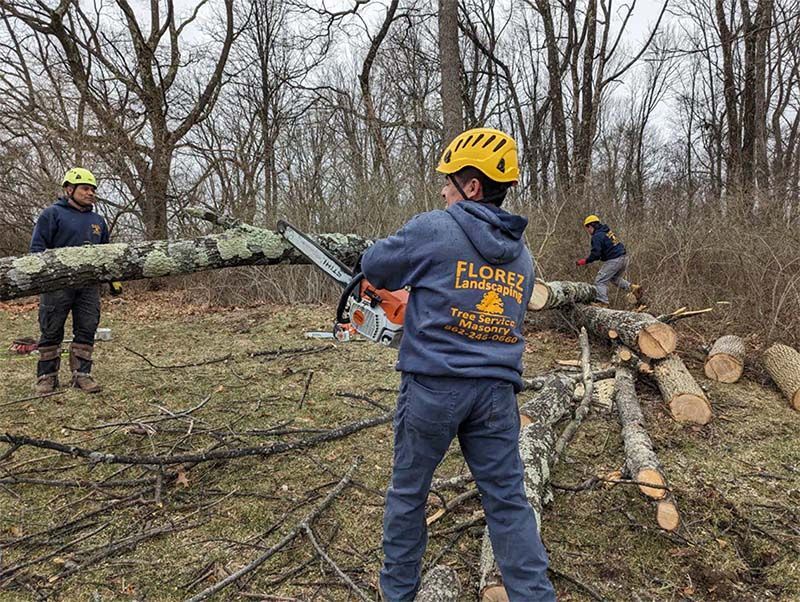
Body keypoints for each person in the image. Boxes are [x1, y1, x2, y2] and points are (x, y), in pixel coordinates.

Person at [360, 128, 555, 601]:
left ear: (472, 186)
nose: (443, 191)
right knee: (508, 504)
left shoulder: (434, 227)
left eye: (449, 182)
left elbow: (375, 265)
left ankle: (398, 595)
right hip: (495, 394)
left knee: (409, 496)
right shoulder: (523, 256)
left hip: (433, 387)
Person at [31, 168, 109, 394]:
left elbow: (106, 252)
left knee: (86, 328)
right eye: (85, 188)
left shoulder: (98, 221)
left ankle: (82, 375)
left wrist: (113, 281)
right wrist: (42, 277)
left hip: (88, 286)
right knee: (51, 330)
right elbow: (37, 249)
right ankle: (46, 377)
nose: (90, 193)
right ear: (69, 189)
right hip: (56, 285)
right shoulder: (52, 214)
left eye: (93, 189)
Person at [576, 215, 641, 306]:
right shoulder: (607, 231)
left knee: (600, 280)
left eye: (587, 228)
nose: (588, 231)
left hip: (615, 259)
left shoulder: (597, 236)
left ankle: (603, 302)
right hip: (624, 258)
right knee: (614, 278)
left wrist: (585, 261)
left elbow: (596, 254)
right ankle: (633, 288)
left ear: (591, 226)